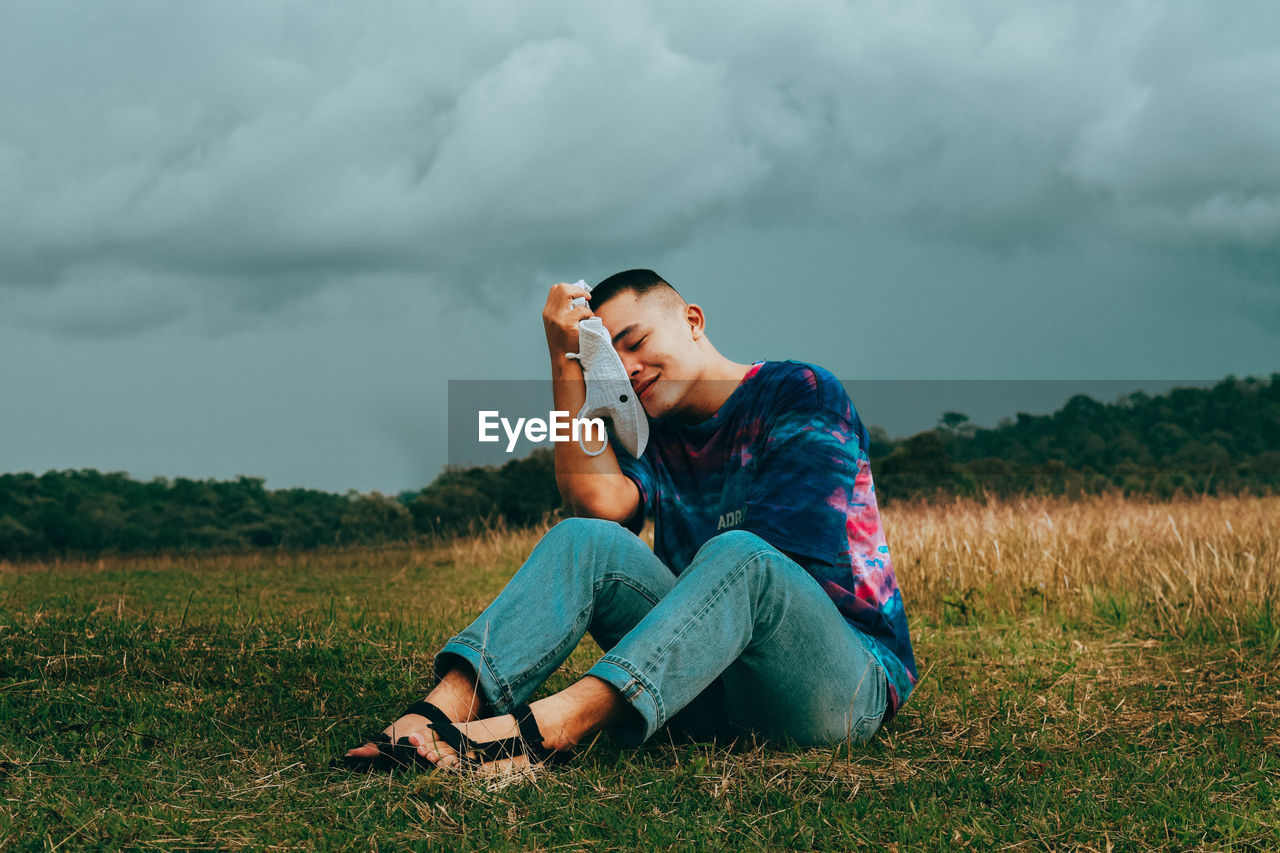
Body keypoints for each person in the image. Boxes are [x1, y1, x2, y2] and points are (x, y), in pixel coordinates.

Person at [340, 269, 917, 774]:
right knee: (582, 539)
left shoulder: (799, 392)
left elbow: (778, 567)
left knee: (744, 553)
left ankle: (547, 730)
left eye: (635, 342)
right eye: (610, 363)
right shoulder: (650, 432)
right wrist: (564, 361)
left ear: (692, 320)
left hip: (833, 686)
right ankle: (438, 714)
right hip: (706, 688)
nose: (630, 370)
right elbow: (597, 507)